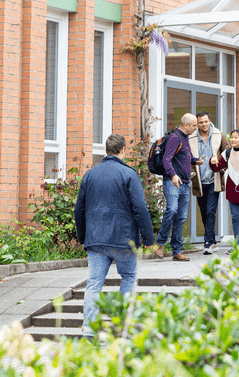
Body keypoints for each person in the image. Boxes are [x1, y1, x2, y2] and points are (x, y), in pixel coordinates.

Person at [74, 133, 154, 338]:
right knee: (128, 277)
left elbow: (79, 209)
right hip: (123, 239)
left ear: (106, 150)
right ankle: (121, 325)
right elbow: (140, 208)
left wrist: (83, 236)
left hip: (96, 240)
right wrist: (148, 238)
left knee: (93, 284)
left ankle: (89, 330)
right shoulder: (128, 174)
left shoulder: (90, 175)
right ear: (123, 150)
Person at [154, 113, 202, 262]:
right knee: (172, 209)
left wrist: (196, 161)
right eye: (194, 125)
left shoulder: (185, 138)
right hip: (172, 182)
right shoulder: (175, 137)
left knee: (181, 217)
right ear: (186, 125)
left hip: (184, 183)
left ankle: (177, 251)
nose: (196, 128)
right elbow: (166, 159)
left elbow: (183, 157)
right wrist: (173, 175)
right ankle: (160, 243)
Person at [189, 112, 231, 255]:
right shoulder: (192, 137)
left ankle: (207, 243)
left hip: (214, 179)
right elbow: (187, 157)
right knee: (203, 213)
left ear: (210, 121)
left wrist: (218, 160)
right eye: (201, 122)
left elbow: (228, 153)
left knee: (210, 211)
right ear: (198, 124)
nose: (204, 125)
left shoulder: (219, 135)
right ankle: (213, 241)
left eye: (206, 121)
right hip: (199, 181)